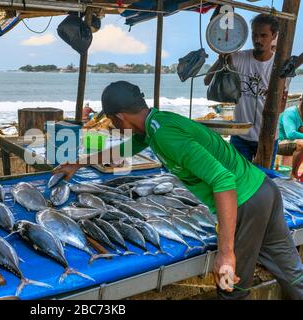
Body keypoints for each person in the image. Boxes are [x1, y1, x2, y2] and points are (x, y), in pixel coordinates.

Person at [54, 81, 303, 300]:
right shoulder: (156, 125)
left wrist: (226, 253)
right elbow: (123, 150)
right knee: (292, 273)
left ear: (120, 117)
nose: (113, 125)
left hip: (245, 202)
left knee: (231, 283)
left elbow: (224, 182)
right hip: (264, 189)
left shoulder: (165, 137)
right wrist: (79, 162)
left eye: (111, 120)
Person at [205, 14, 288, 167]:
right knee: (236, 176)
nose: (258, 40)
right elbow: (207, 80)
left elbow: (281, 108)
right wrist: (223, 57)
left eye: (263, 35)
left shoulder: (279, 67)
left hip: (267, 137)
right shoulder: (239, 57)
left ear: (274, 35)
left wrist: (273, 99)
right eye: (255, 35)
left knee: (263, 180)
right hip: (240, 134)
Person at [278, 93, 303, 180]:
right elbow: (291, 134)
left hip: (291, 142)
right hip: (279, 142)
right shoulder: (291, 112)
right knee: (302, 144)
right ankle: (294, 175)